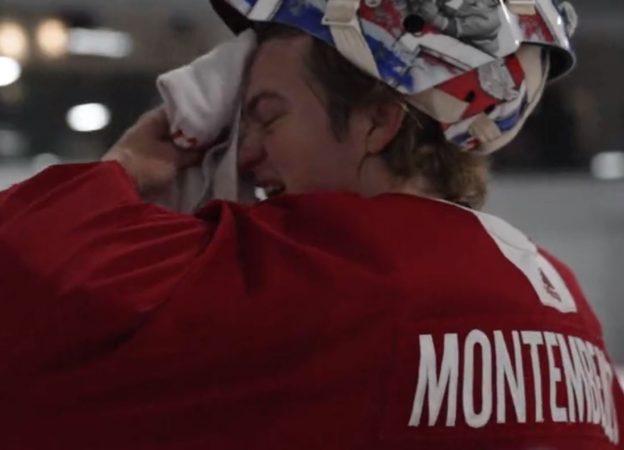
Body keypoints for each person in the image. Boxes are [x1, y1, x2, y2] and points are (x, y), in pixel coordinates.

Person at [0, 1, 622, 449]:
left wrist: (126, 167)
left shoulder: (331, 271)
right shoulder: (563, 304)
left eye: (268, 117)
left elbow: (33, 283)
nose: (245, 153)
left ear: (377, 122)